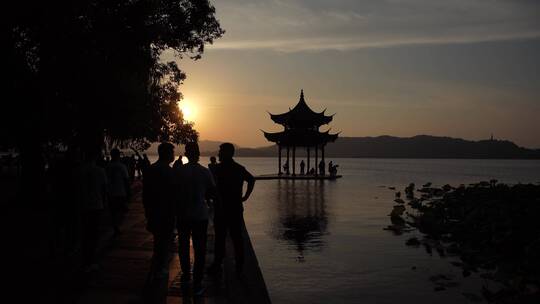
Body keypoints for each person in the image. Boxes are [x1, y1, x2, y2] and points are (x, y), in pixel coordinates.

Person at [173, 142, 216, 295]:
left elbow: (173, 193)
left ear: (186, 154)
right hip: (200, 215)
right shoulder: (204, 172)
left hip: (183, 214)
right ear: (198, 154)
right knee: (200, 249)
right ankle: (197, 283)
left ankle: (185, 274)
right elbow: (212, 193)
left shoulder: (178, 171)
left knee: (183, 245)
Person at [208, 143, 255, 277]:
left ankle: (218, 264)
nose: (218, 154)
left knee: (221, 238)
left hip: (222, 209)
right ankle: (239, 266)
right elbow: (251, 180)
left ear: (227, 153)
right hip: (235, 208)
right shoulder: (239, 168)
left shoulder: (217, 169)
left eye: (221, 151)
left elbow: (211, 188)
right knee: (237, 238)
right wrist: (245, 196)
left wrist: (210, 197)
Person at [143, 142, 176, 281]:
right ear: (167, 154)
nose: (174, 155)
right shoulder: (169, 171)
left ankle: (156, 268)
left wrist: (147, 211)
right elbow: (174, 194)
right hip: (166, 212)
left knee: (158, 241)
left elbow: (146, 194)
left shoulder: (151, 169)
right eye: (172, 152)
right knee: (164, 242)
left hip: (153, 211)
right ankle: (160, 269)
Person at [79, 146, 108, 272]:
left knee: (84, 233)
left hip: (82, 205)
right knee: (94, 234)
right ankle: (90, 261)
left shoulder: (80, 171)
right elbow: (104, 189)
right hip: (96, 205)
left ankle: (84, 259)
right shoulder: (99, 171)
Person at [106, 148, 131, 236]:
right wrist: (128, 192)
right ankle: (116, 226)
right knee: (121, 210)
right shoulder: (121, 166)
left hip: (111, 192)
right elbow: (126, 180)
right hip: (120, 192)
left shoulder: (108, 166)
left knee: (114, 211)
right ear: (118, 156)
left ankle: (115, 226)